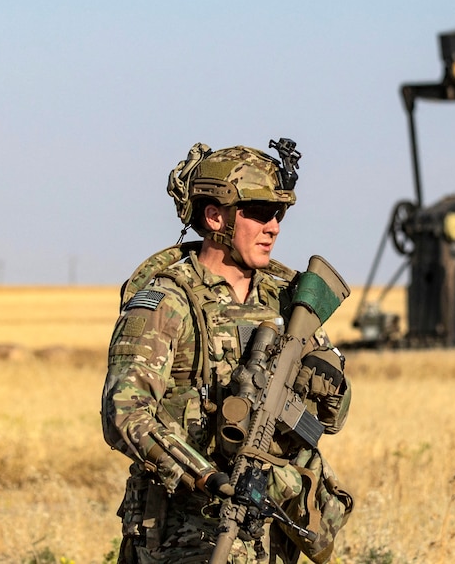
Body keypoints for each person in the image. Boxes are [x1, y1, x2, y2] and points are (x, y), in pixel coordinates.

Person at [102, 140, 352, 564]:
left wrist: (328, 383)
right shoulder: (169, 302)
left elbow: (332, 420)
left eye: (278, 213)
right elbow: (124, 414)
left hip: (271, 538)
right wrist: (208, 478)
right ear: (215, 216)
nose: (273, 226)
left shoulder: (289, 302)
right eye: (258, 212)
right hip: (186, 540)